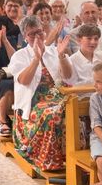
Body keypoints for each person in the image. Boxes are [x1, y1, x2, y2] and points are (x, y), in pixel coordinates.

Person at [9, 15, 71, 170]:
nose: (37, 37)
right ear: (25, 37)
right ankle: (51, 160)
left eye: (39, 32)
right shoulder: (20, 56)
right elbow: (23, 80)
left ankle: (73, 155)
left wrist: (62, 56)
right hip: (34, 103)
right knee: (53, 114)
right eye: (31, 34)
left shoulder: (54, 51)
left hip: (58, 98)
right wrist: (36, 59)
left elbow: (68, 75)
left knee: (72, 109)